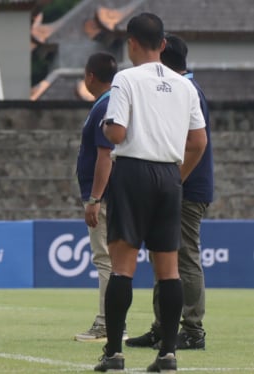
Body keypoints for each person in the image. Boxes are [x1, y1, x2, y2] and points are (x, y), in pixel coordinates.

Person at [93, 13, 207, 373]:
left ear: (131, 43)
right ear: (162, 44)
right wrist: (178, 176)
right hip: (169, 177)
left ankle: (113, 355)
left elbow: (116, 133)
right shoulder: (185, 85)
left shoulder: (125, 79)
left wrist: (106, 123)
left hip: (133, 173)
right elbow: (198, 141)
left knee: (123, 268)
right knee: (168, 270)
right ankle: (168, 354)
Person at [126, 34, 213, 351]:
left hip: (186, 188)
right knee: (165, 255)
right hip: (179, 185)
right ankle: (163, 326)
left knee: (184, 257)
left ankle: (192, 329)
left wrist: (173, 181)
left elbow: (194, 144)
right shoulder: (184, 88)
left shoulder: (186, 90)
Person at [74, 52, 120, 342]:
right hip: (112, 193)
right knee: (112, 260)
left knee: (105, 259)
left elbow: (105, 156)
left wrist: (95, 198)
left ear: (90, 76)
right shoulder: (111, 102)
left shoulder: (105, 105)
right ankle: (114, 322)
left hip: (103, 195)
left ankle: (107, 323)